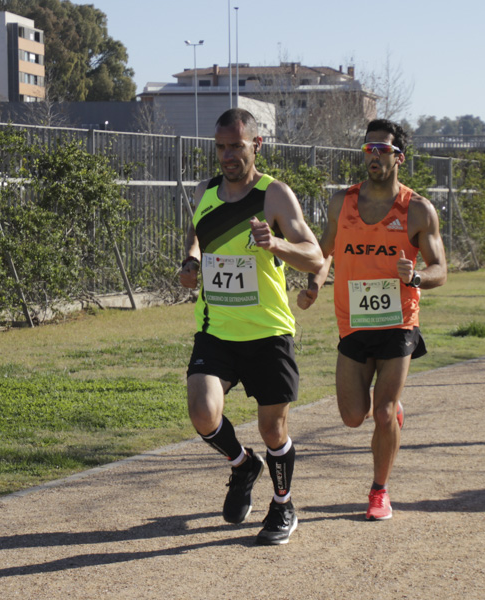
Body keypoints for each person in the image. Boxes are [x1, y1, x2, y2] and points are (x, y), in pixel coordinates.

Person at [178, 108, 324, 545]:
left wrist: (275, 242)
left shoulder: (273, 194)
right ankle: (243, 465)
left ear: (256, 145)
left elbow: (315, 256)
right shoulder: (206, 191)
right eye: (220, 147)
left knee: (272, 429)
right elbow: (197, 235)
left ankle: (283, 505)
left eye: (236, 147)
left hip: (267, 332)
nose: (226, 156)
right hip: (217, 328)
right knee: (203, 412)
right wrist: (191, 261)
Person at [297, 119, 447, 521]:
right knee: (351, 417)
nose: (374, 156)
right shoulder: (341, 204)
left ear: (399, 157)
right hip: (354, 324)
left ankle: (379, 490)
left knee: (381, 413)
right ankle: (392, 413)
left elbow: (440, 269)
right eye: (368, 149)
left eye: (382, 149)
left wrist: (414, 277)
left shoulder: (417, 210)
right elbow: (323, 253)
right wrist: (314, 283)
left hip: (399, 323)